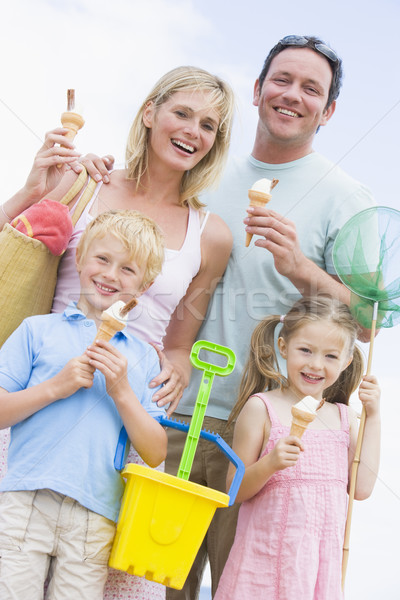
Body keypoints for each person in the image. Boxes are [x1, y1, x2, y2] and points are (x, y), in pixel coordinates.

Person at [0, 66, 234, 599]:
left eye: (208, 125)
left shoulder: (211, 235)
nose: (192, 131)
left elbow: (179, 341)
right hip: (39, 403)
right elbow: (7, 260)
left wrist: (174, 365)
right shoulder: (85, 180)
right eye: (181, 113)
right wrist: (31, 189)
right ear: (150, 113)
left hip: (116, 419)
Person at [164, 35, 377, 599]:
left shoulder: (346, 198)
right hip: (176, 419)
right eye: (282, 80)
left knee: (248, 585)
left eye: (313, 89)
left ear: (328, 112)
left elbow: (371, 325)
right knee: (155, 584)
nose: (293, 95)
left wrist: (301, 267)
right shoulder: (203, 174)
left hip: (264, 433)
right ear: (257, 90)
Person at [0, 210, 168, 600]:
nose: (110, 275)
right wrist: (55, 387)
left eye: (128, 269)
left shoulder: (143, 359)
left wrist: (123, 392)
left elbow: (155, 451)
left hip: (95, 516)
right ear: (79, 258)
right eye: (103, 259)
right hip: (26, 499)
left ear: (145, 285)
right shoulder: (37, 330)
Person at [213, 296, 381, 600]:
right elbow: (232, 491)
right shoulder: (261, 409)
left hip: (317, 576)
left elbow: (363, 487)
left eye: (331, 356)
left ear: (345, 362)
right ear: (283, 346)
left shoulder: (344, 419)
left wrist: (375, 415)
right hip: (262, 568)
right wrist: (270, 464)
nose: (316, 364)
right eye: (305, 350)